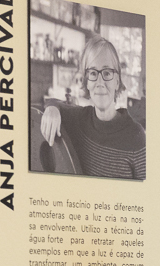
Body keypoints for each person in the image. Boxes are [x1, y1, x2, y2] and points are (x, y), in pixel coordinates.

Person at [38, 35, 145, 180]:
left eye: (107, 73)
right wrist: (51, 108)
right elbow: (55, 103)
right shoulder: (78, 119)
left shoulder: (136, 137)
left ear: (117, 81)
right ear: (87, 82)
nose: (100, 82)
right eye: (93, 73)